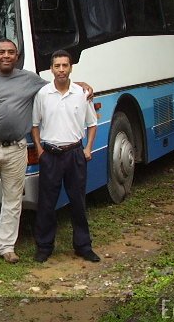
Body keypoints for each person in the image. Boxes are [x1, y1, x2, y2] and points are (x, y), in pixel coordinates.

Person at [0, 39, 91, 266]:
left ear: (17, 56)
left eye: (11, 52)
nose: (6, 56)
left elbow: (55, 85)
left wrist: (79, 84)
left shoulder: (28, 79)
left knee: (13, 200)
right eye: (2, 52)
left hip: (16, 149)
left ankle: (6, 247)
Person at [31, 49, 100, 263]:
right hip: (50, 155)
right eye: (57, 66)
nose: (61, 70)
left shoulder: (82, 93)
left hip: (74, 154)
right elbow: (34, 125)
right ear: (51, 69)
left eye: (65, 65)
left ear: (71, 68)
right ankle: (44, 246)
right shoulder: (43, 94)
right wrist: (40, 150)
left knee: (78, 201)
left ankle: (83, 245)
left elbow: (92, 123)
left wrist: (87, 148)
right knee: (46, 204)